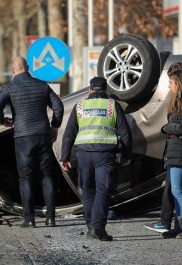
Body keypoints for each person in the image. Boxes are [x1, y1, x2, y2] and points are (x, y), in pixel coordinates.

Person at [0, 56, 64, 228]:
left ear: (12, 70)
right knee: (47, 176)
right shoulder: (42, 85)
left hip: (23, 136)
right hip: (43, 134)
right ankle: (50, 218)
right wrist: (54, 126)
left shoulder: (10, 87)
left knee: (25, 179)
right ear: (28, 68)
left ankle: (29, 219)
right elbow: (59, 107)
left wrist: (4, 122)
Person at [60, 77, 132, 241]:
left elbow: (69, 133)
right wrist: (126, 155)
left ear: (90, 90)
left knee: (88, 190)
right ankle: (97, 227)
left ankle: (90, 226)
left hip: (83, 154)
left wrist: (64, 157)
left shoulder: (79, 106)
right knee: (103, 190)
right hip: (105, 155)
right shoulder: (112, 105)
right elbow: (125, 133)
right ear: (105, 90)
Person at [145, 62, 182, 238]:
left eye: (171, 83)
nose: (168, 86)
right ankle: (180, 226)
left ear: (178, 83)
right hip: (175, 152)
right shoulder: (180, 101)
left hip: (181, 152)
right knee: (176, 189)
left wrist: (167, 128)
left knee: (177, 190)